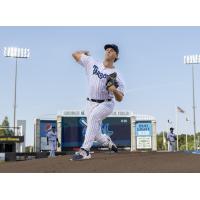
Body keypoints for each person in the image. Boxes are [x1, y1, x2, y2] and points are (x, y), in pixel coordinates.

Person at [71, 44, 125, 160]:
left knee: (94, 118)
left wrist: (114, 90)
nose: (108, 51)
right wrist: (84, 52)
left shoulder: (118, 75)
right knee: (95, 133)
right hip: (90, 103)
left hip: (107, 103)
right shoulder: (92, 62)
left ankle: (85, 151)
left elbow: (120, 98)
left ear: (117, 55)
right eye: (107, 49)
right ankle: (107, 141)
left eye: (112, 50)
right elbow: (75, 55)